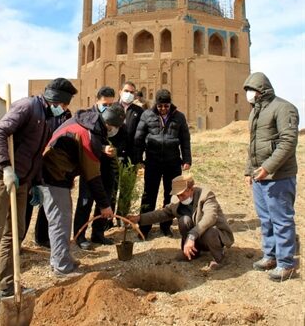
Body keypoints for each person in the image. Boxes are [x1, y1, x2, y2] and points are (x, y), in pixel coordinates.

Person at [0, 78, 78, 323]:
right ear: (55, 99)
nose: (64, 108)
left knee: (13, 236)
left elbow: (37, 155)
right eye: (63, 103)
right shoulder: (27, 107)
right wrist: (5, 167)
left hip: (23, 181)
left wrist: (35, 182)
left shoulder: (48, 119)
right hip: (1, 178)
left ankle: (6, 287)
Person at [40, 103, 125, 276]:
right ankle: (61, 267)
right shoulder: (89, 135)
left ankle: (61, 258)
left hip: (57, 173)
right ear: (110, 125)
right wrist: (104, 205)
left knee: (63, 219)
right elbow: (93, 176)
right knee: (60, 222)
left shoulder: (86, 120)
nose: (115, 131)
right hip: (53, 175)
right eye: (115, 127)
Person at [243, 72, 299, 282]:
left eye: (251, 89)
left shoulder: (283, 108)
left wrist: (267, 168)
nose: (248, 94)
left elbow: (287, 142)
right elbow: (253, 145)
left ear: (262, 90)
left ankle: (286, 264)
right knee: (266, 219)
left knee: (281, 219)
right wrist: (250, 170)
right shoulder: (255, 112)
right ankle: (271, 256)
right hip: (260, 175)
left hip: (279, 176)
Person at [128, 174, 234, 268]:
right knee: (184, 220)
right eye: (178, 195)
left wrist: (192, 236)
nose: (180, 198)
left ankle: (220, 259)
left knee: (210, 232)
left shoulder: (206, 195)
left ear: (191, 189)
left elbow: (210, 218)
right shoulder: (176, 200)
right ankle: (192, 253)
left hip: (214, 236)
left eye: (182, 194)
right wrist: (139, 218)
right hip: (196, 237)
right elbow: (162, 214)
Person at [134, 89, 191, 239]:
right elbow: (138, 139)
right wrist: (138, 159)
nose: (163, 109)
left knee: (170, 195)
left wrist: (187, 159)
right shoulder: (147, 115)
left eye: (166, 106)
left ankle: (165, 227)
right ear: (156, 104)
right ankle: (144, 228)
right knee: (149, 195)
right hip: (153, 162)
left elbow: (185, 139)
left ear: (170, 104)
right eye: (160, 106)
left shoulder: (179, 117)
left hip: (172, 162)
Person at [73, 87, 123, 249]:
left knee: (106, 198)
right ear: (97, 101)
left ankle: (98, 233)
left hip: (108, 166)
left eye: (110, 104)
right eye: (104, 104)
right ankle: (80, 236)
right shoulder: (89, 117)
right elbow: (87, 141)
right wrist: (102, 148)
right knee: (86, 200)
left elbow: (121, 137)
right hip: (90, 164)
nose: (107, 107)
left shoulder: (114, 117)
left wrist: (114, 150)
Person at [24, 107, 73, 249]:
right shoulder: (39, 114)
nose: (62, 107)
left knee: (47, 202)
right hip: (32, 162)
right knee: (27, 204)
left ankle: (42, 237)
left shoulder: (66, 115)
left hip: (51, 164)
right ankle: (17, 241)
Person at [109, 81, 144, 222]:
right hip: (112, 157)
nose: (129, 94)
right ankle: (108, 220)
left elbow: (141, 136)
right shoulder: (111, 108)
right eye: (126, 91)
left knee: (126, 191)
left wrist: (139, 159)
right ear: (120, 91)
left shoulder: (138, 111)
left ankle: (121, 219)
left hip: (131, 158)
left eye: (132, 92)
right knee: (111, 190)